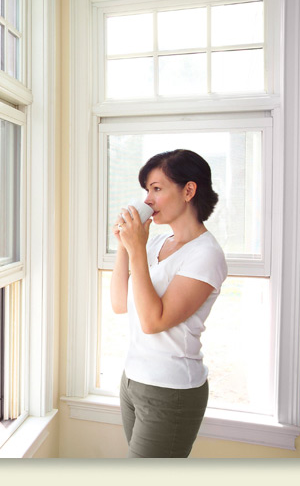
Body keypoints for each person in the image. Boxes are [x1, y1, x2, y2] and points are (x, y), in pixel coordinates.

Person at [111, 149, 227, 458]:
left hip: (170, 390)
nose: (148, 199)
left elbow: (153, 322)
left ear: (189, 190)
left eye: (157, 188)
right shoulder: (158, 244)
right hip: (133, 380)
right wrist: (125, 247)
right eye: (147, 190)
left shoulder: (205, 255)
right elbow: (120, 303)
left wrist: (137, 249)